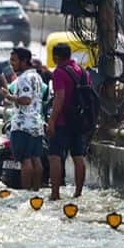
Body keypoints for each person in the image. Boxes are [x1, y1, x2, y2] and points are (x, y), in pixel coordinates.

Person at [47, 42, 90, 200]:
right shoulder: (82, 71)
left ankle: (55, 194)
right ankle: (78, 193)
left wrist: (52, 120)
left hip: (63, 120)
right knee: (78, 156)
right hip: (80, 120)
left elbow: (60, 98)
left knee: (55, 156)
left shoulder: (59, 72)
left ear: (56, 57)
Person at [0, 47, 44, 191]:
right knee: (36, 159)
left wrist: (8, 96)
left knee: (25, 161)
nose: (11, 64)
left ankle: (26, 193)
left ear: (24, 61)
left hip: (22, 125)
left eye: (14, 60)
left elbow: (26, 100)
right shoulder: (37, 76)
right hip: (36, 124)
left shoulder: (24, 78)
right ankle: (35, 191)